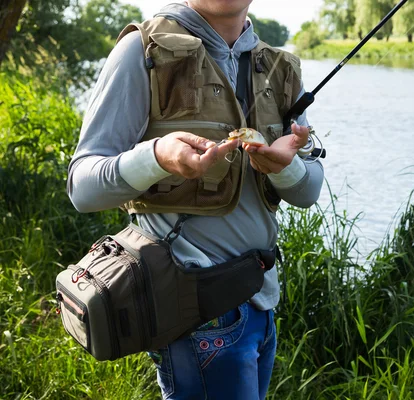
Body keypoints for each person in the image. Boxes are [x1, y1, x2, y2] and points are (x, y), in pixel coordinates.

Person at [67, 0, 324, 399]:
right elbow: (82, 187)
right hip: (194, 309)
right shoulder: (141, 51)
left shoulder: (280, 68)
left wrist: (284, 168)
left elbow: (308, 193)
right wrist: (157, 157)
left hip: (261, 304)